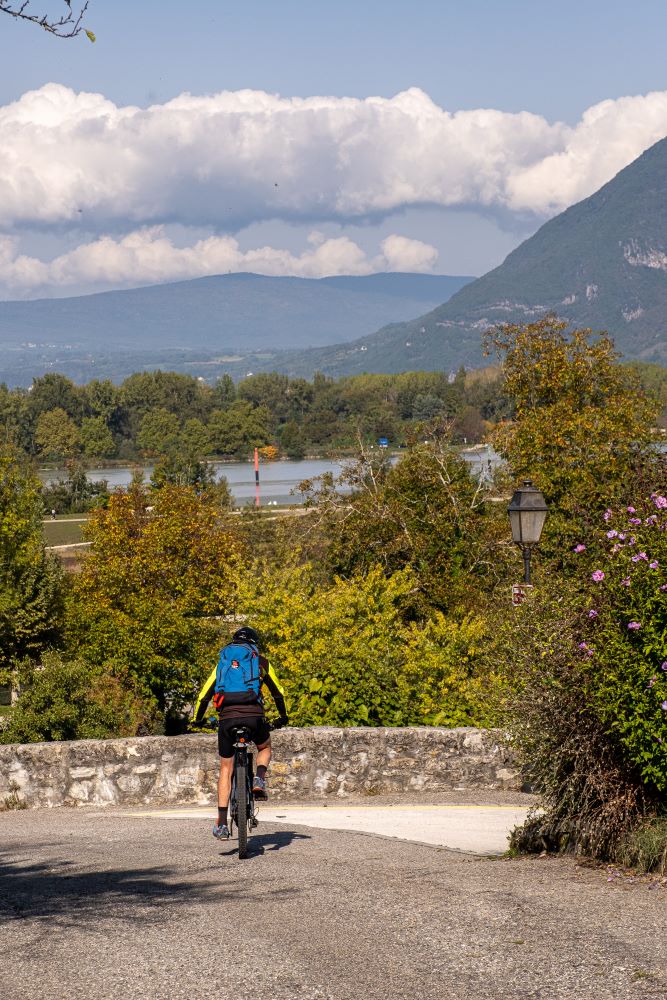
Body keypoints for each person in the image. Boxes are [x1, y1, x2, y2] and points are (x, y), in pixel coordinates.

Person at [192, 626, 288, 841]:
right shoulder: (260, 662)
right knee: (264, 747)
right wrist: (283, 717)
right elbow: (278, 692)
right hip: (254, 717)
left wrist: (197, 719)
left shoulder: (222, 663)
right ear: (254, 644)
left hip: (227, 719)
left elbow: (203, 696)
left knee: (226, 768)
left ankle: (221, 824)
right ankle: (259, 780)